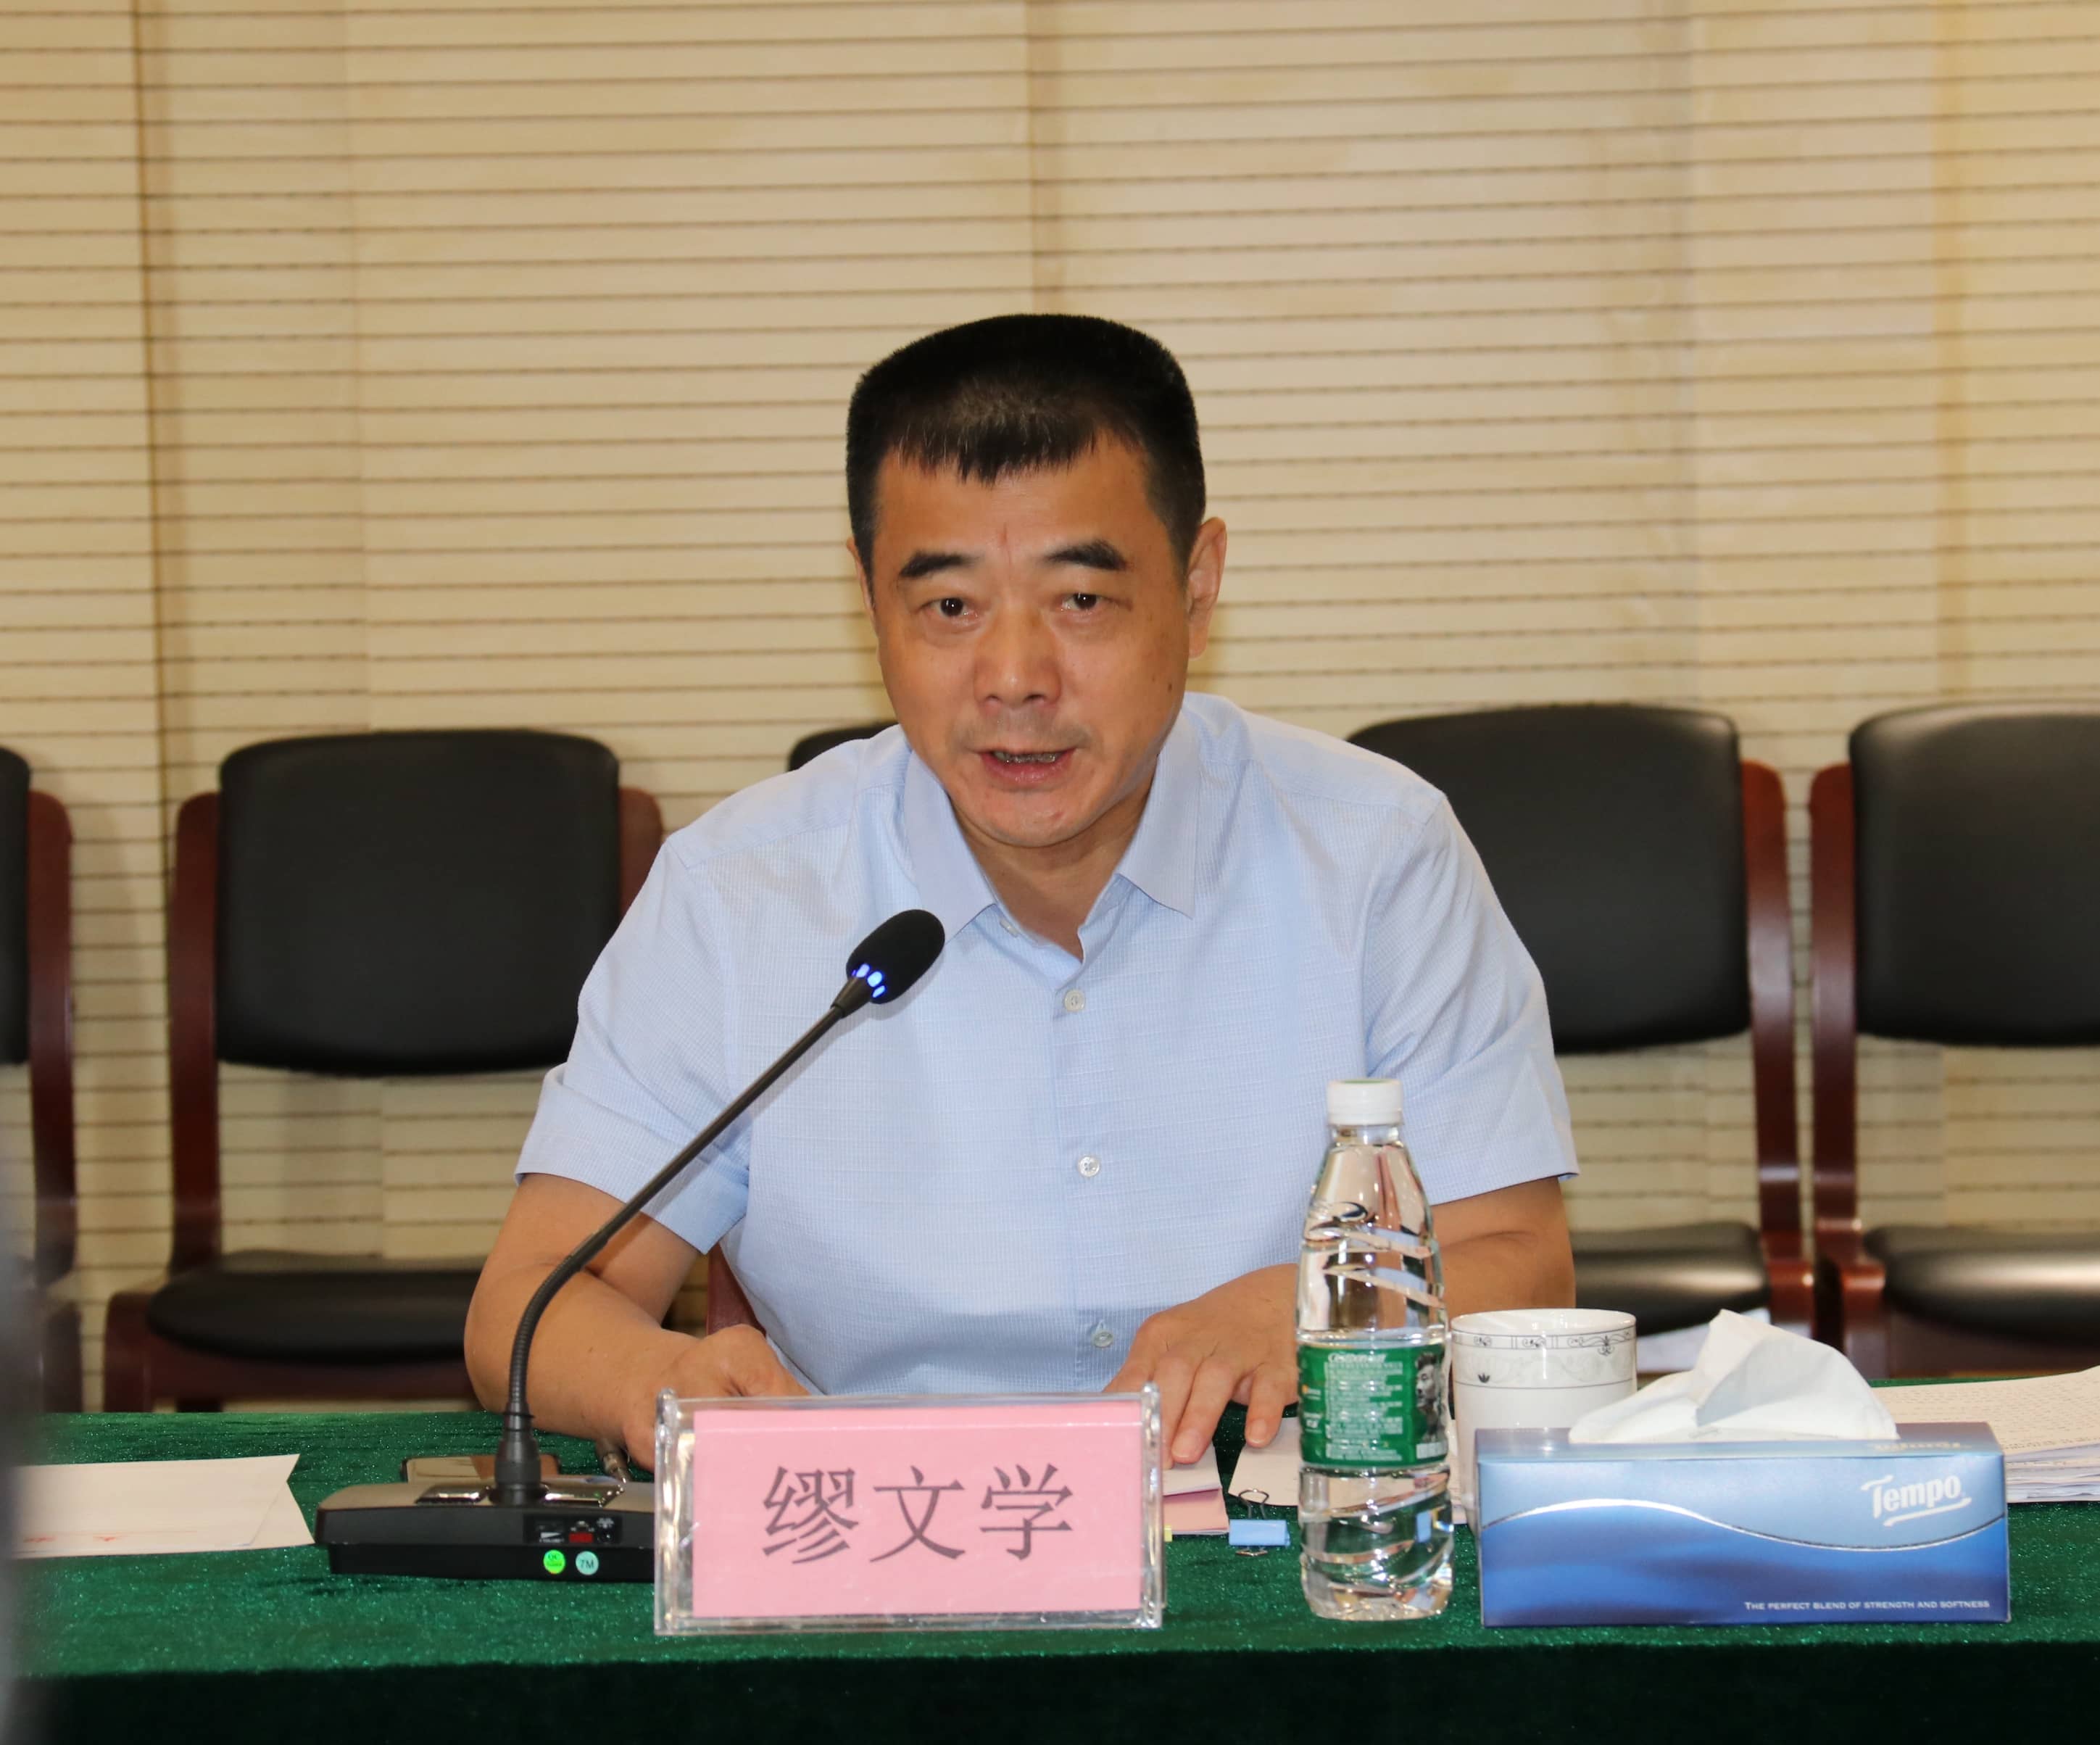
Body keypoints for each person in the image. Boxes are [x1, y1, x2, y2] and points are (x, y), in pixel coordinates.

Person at [465, 313, 1578, 1469]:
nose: (1013, 680)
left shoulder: (1375, 854)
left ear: (1196, 587)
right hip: (887, 1525)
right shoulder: (738, 894)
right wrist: (660, 1382)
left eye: (1080, 601)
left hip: (1272, 1517)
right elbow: (529, 1307)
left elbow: (1517, 1256)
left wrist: (1310, 1306)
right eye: (949, 607)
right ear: (870, 601)